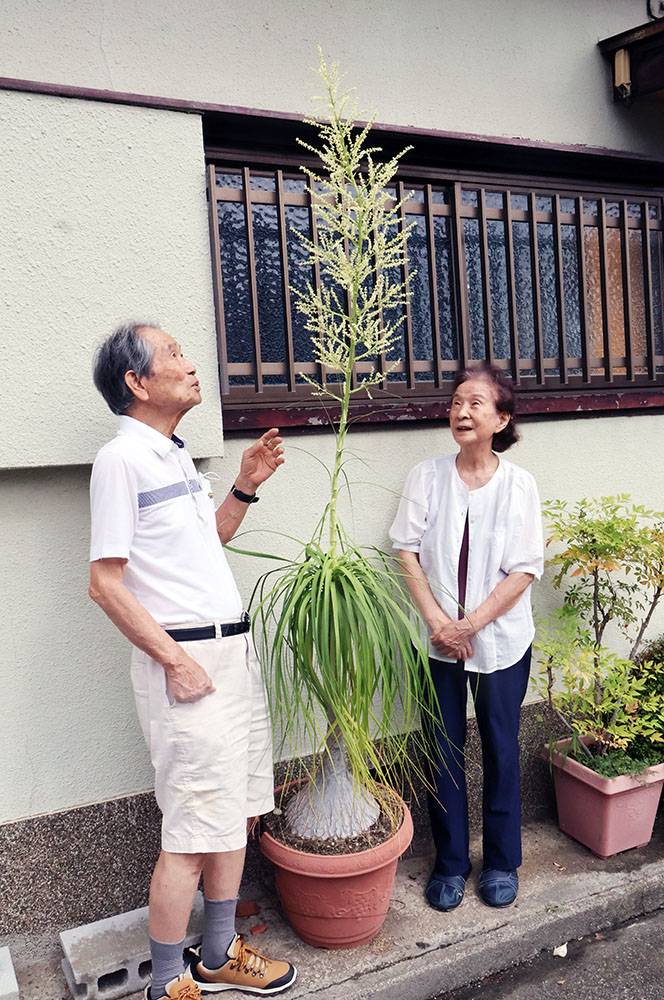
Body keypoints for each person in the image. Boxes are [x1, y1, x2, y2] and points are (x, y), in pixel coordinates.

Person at [89, 323, 297, 1000]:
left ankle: (216, 954)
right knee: (187, 832)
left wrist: (242, 486)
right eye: (172, 354)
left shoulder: (176, 455)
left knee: (234, 811)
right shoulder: (121, 461)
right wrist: (175, 663)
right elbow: (105, 583)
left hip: (230, 652)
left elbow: (206, 545)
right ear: (136, 382)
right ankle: (168, 981)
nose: (190, 363)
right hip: (188, 660)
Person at [389, 364, 543, 912]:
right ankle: (451, 863)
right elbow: (405, 549)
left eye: (476, 403)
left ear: (502, 418)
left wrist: (470, 625)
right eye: (457, 402)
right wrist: (438, 623)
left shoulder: (519, 484)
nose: (461, 411)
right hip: (435, 638)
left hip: (500, 641)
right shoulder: (426, 476)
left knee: (502, 747)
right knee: (442, 749)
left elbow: (525, 569)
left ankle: (502, 862)